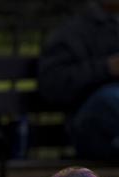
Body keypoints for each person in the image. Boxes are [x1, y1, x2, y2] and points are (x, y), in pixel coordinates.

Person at [38, 1, 119, 160]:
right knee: (109, 98)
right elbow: (52, 84)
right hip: (91, 127)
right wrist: (107, 68)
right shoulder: (73, 32)